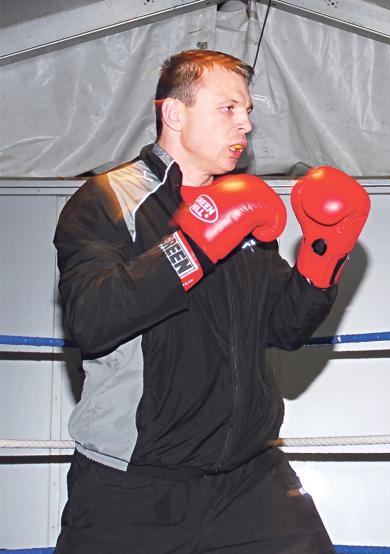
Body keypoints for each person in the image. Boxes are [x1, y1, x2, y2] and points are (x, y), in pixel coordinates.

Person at [52, 49, 370, 552]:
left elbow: (285, 327)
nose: (245, 123)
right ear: (174, 114)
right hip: (133, 484)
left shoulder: (247, 207)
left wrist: (322, 253)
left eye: (247, 111)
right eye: (228, 108)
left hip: (249, 476)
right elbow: (93, 318)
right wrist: (195, 242)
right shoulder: (108, 198)